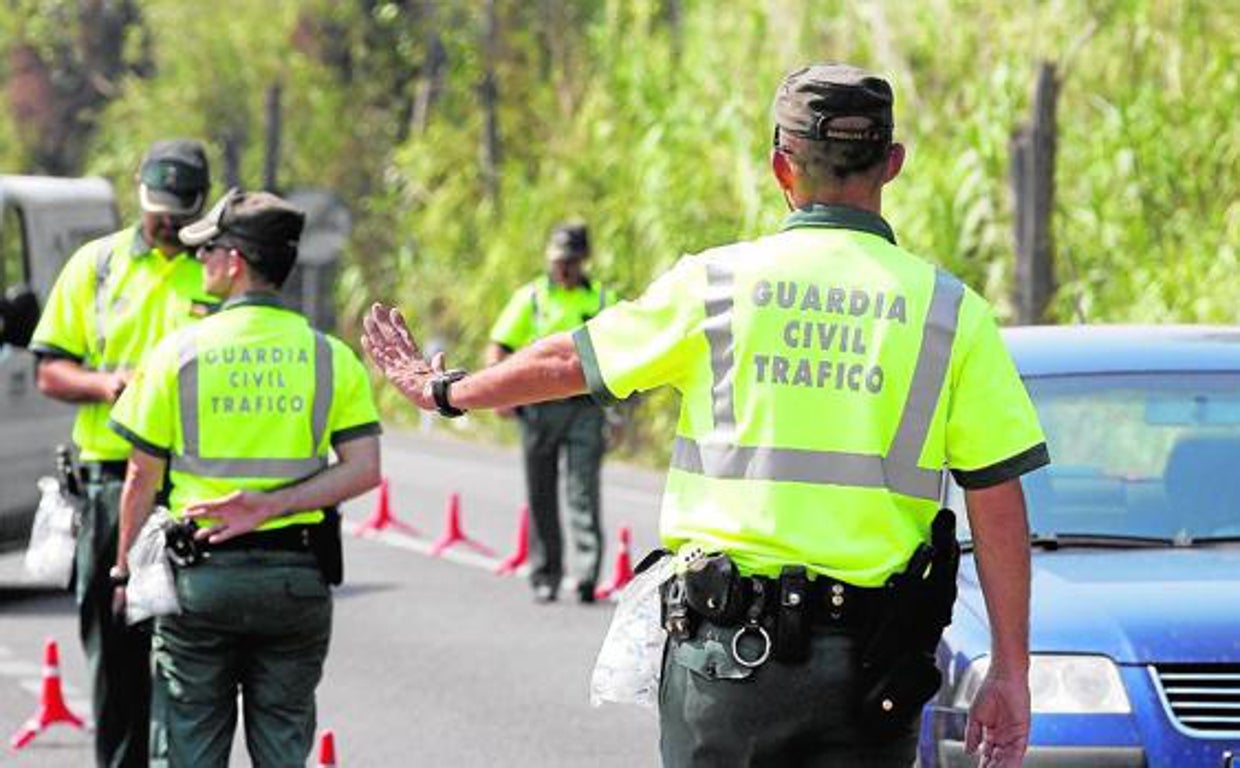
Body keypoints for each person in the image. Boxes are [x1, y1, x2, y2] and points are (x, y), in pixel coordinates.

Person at [363, 63, 1047, 768]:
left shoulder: (717, 285)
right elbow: (997, 502)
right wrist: (1010, 673)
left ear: (781, 166)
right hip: (870, 676)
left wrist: (447, 391)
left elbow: (569, 360)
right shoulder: (950, 313)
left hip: (725, 665)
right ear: (893, 164)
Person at [107, 190, 382, 767]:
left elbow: (140, 475)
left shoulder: (175, 353)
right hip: (295, 581)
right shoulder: (329, 356)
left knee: (190, 745)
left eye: (208, 250)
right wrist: (274, 506)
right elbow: (364, 471)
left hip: (200, 583)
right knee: (284, 746)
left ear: (235, 262)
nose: (200, 261)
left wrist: (124, 568)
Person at [29, 138, 215, 768]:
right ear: (138, 191)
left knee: (193, 662)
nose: (168, 223)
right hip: (110, 483)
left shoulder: (219, 271)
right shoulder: (96, 265)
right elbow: (50, 370)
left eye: (180, 212)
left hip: (193, 486)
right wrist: (109, 385)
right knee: (117, 657)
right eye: (159, 208)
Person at [487, 221, 615, 603]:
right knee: (540, 490)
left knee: (583, 491)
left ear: (584, 260)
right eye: (558, 261)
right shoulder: (532, 298)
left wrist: (619, 414)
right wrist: (499, 392)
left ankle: (588, 574)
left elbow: (623, 357)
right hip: (538, 409)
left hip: (585, 408)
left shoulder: (603, 300)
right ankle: (546, 573)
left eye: (571, 261)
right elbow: (500, 344)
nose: (563, 269)